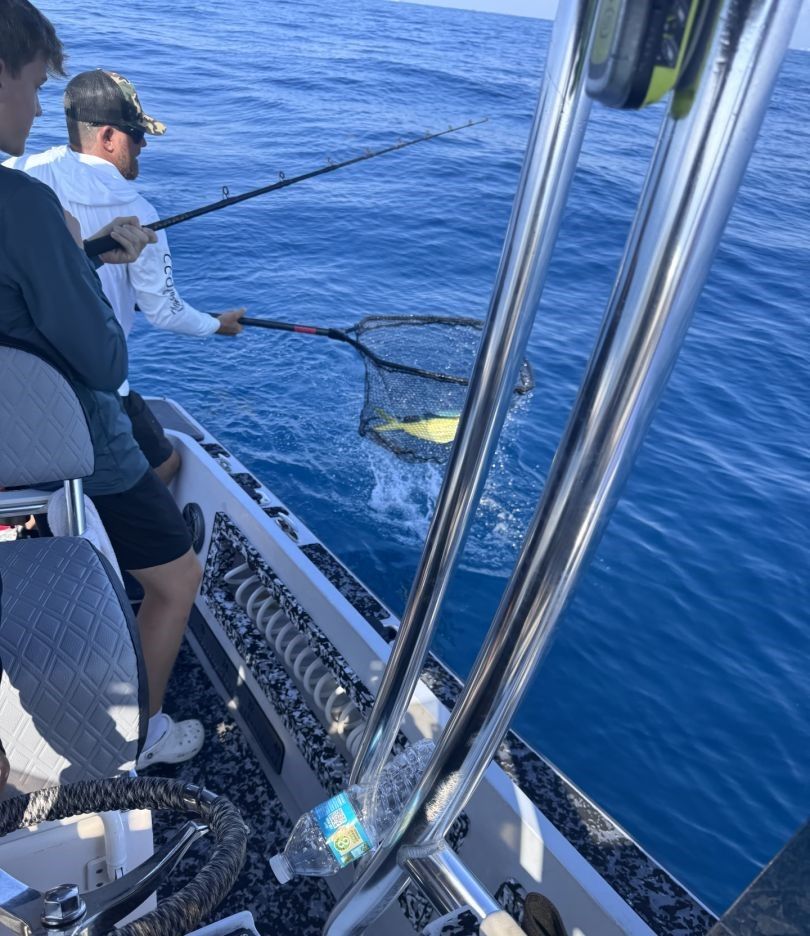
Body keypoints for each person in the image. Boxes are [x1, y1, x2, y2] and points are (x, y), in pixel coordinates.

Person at [0, 0, 204, 769]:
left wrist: (79, 253)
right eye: (32, 85)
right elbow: (104, 360)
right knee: (178, 578)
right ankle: (142, 740)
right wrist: (74, 261)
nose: (36, 109)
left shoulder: (27, 185)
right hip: (65, 436)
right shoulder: (22, 203)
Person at [5, 69, 245, 485]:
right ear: (109, 136)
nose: (143, 145)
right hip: (93, 386)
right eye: (137, 135)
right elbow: (165, 313)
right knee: (167, 465)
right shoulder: (140, 213)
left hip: (14, 379)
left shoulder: (19, 172)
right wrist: (216, 325)